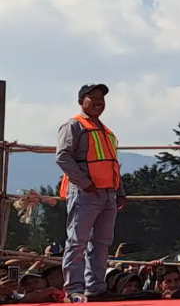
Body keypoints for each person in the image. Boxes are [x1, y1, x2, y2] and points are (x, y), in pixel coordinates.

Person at [55, 83, 126, 301]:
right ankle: (74, 290)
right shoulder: (73, 126)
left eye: (101, 99)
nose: (98, 102)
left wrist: (119, 190)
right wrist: (85, 183)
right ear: (81, 101)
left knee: (102, 243)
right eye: (93, 98)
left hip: (107, 194)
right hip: (86, 192)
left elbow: (112, 163)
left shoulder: (106, 131)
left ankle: (96, 288)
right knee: (78, 242)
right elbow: (62, 157)